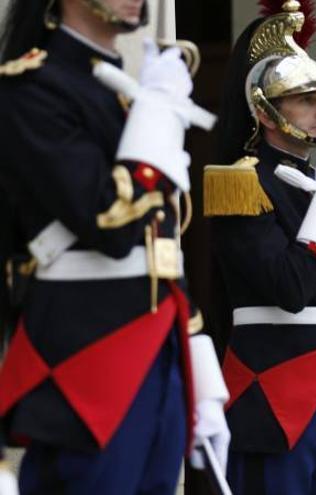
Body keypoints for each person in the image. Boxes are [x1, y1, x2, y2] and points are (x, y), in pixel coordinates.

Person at [0, 0, 230, 493]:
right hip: (86, 358)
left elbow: (163, 245)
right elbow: (108, 221)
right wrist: (155, 117)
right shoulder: (31, 87)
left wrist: (199, 362)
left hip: (159, 350)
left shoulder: (126, 93)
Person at [204, 3, 316, 493]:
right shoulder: (242, 183)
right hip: (273, 388)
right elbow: (288, 286)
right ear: (266, 110)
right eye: (305, 99)